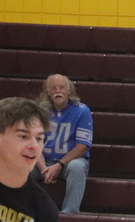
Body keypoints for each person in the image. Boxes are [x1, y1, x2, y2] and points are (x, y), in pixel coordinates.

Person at [34, 74, 93, 214]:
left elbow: (82, 147)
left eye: (61, 88)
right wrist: (43, 168)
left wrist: (59, 165)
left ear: (69, 90)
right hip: (43, 160)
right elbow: (33, 143)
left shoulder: (82, 111)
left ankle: (69, 212)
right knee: (19, 166)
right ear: (48, 92)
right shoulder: (39, 112)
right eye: (53, 88)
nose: (57, 91)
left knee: (77, 167)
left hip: (68, 161)